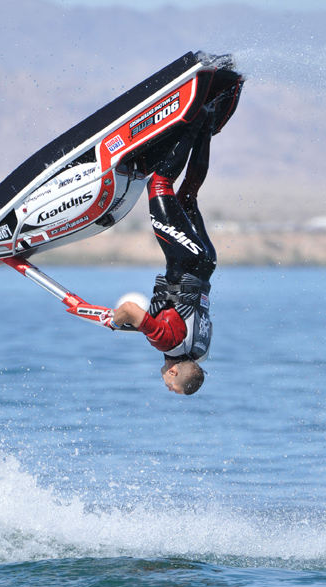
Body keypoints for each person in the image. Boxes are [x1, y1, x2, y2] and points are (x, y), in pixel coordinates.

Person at [111, 107, 217, 395]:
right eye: (172, 387)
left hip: (206, 262)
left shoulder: (199, 352)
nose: (168, 387)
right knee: (159, 183)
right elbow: (130, 310)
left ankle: (205, 121)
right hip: (186, 260)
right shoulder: (165, 342)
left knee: (186, 197)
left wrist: (139, 324)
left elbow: (173, 322)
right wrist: (114, 321)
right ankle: (193, 117)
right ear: (172, 371)